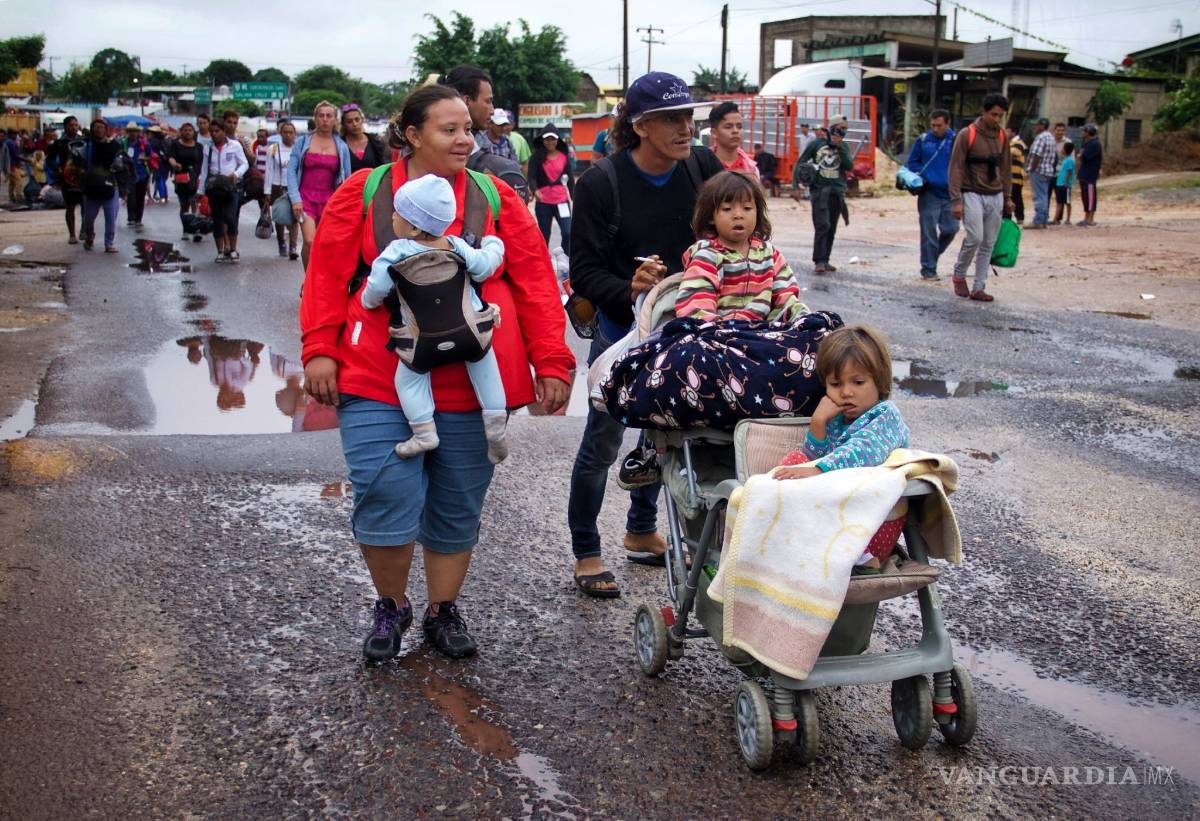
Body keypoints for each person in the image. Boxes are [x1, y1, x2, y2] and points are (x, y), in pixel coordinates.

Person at [299, 83, 573, 660]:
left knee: (457, 500)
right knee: (385, 491)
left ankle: (442, 610)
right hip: (379, 371)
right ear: (412, 134)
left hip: (475, 377)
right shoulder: (365, 191)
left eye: (466, 128)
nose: (464, 139)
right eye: (448, 130)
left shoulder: (495, 197)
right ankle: (391, 606)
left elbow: (535, 281)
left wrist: (552, 359)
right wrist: (319, 348)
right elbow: (325, 274)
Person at [567, 71, 723, 597]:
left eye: (689, 117)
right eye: (673, 119)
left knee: (664, 436)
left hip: (686, 326)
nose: (686, 128)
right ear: (641, 126)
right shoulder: (600, 183)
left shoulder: (702, 167)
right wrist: (627, 286)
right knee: (603, 443)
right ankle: (587, 551)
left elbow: (739, 223)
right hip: (620, 330)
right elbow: (584, 272)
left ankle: (639, 531)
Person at [360, 174, 509, 462]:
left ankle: (424, 432)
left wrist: (368, 301)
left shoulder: (396, 252)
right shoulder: (456, 246)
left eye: (398, 213)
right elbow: (483, 267)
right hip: (471, 332)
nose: (393, 217)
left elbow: (376, 288)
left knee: (408, 381)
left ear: (414, 227)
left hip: (421, 343)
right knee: (487, 372)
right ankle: (495, 428)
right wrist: (494, 246)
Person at [770, 325, 910, 570]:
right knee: (795, 459)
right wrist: (818, 424)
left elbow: (862, 452)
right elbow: (813, 461)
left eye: (858, 382)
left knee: (809, 472)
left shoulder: (885, 415)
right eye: (835, 384)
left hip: (870, 525)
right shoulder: (837, 419)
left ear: (879, 380)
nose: (846, 392)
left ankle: (861, 559)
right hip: (833, 517)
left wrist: (819, 470)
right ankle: (785, 538)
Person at [675, 170, 805, 322]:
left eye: (747, 208)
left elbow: (787, 299)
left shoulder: (770, 255)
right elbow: (696, 308)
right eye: (727, 209)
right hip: (717, 335)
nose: (738, 215)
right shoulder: (707, 256)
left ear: (757, 212)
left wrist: (803, 319)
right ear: (711, 217)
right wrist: (717, 331)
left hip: (763, 334)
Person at [947, 93, 1013, 302]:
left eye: (1000, 115)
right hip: (972, 192)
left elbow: (1006, 168)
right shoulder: (968, 134)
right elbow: (956, 167)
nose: (996, 119)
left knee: (989, 242)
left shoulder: (1002, 136)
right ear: (984, 112)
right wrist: (956, 200)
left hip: (995, 194)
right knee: (975, 237)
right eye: (993, 114)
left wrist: (1008, 197)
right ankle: (959, 274)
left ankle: (979, 286)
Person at [287, 100, 352, 268]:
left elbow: (347, 178)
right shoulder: (303, 142)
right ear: (315, 118)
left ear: (335, 119)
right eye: (321, 115)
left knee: (325, 244)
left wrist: (345, 205)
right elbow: (291, 171)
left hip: (330, 200)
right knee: (310, 240)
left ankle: (317, 281)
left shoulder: (342, 147)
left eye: (329, 116)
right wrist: (295, 199)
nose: (325, 119)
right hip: (305, 198)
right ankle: (308, 281)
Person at [906, 109, 958, 281]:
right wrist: (921, 176)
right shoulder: (923, 141)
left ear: (947, 124)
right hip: (929, 194)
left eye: (939, 125)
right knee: (928, 232)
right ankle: (928, 269)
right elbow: (912, 162)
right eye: (933, 125)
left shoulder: (956, 141)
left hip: (951, 194)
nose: (935, 129)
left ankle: (932, 257)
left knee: (951, 229)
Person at [797, 122, 853, 275]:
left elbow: (849, 165)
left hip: (837, 192)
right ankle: (819, 260)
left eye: (842, 133)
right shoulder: (816, 144)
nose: (838, 135)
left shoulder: (844, 147)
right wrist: (796, 185)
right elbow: (801, 161)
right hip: (820, 191)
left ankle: (826, 259)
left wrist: (840, 147)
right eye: (837, 131)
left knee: (832, 227)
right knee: (823, 225)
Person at [196, 118, 249, 263]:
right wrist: (200, 191)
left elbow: (244, 164)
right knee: (217, 220)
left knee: (231, 219)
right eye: (211, 131)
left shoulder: (235, 145)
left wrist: (236, 174)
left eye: (217, 131)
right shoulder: (208, 148)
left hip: (231, 187)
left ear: (224, 131)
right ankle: (220, 251)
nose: (214, 134)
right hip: (214, 188)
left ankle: (232, 249)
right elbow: (204, 170)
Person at [529, 123, 574, 255]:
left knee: (568, 232)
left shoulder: (564, 157)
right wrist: (535, 189)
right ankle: (544, 262)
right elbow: (531, 177)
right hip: (544, 202)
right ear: (542, 140)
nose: (550, 142)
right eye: (547, 139)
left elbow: (570, 179)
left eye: (553, 139)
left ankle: (565, 257)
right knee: (544, 235)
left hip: (562, 200)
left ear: (557, 140)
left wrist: (574, 196)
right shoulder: (536, 157)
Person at [80, 119, 123, 253]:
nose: (99, 130)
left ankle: (109, 243)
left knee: (110, 216)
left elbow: (122, 164)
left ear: (106, 129)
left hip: (110, 186)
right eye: (96, 127)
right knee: (89, 218)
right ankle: (89, 236)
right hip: (92, 187)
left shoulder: (115, 145)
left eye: (101, 127)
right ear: (92, 129)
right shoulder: (86, 146)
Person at [45, 116, 87, 244]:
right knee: (70, 207)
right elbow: (50, 160)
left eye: (75, 125)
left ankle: (83, 230)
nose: (73, 127)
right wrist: (57, 169)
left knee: (85, 205)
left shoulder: (83, 141)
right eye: (71, 125)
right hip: (67, 178)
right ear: (65, 127)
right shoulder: (59, 143)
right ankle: (72, 234)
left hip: (82, 177)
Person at [263, 119, 299, 259]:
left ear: (295, 134)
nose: (288, 135)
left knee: (295, 217)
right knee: (280, 217)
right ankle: (281, 242)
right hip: (278, 187)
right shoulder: (274, 149)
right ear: (280, 133)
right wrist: (267, 192)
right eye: (285, 132)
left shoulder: (298, 148)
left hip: (294, 187)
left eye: (291, 132)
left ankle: (293, 247)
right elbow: (269, 171)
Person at [166, 121, 204, 242]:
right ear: (181, 132)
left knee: (195, 203)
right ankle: (186, 229)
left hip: (195, 178)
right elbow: (170, 157)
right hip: (181, 179)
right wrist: (174, 164)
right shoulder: (175, 144)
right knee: (184, 205)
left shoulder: (199, 147)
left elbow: (202, 162)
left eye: (190, 130)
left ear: (194, 132)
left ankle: (196, 229)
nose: (187, 132)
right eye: (185, 130)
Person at [440, 65, 495, 144]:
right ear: (467, 101)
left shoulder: (482, 143)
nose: (492, 111)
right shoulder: (440, 143)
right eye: (488, 101)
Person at [707, 101, 759, 179]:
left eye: (739, 127)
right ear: (714, 133)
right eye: (728, 127)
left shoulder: (751, 169)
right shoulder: (705, 165)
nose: (735, 131)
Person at [120, 123, 152, 229]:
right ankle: (131, 218)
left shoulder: (144, 144)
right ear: (128, 132)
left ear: (138, 132)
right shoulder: (124, 143)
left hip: (142, 173)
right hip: (129, 174)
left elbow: (151, 156)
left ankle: (139, 219)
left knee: (140, 197)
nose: (133, 133)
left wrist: (144, 159)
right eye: (131, 131)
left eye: (135, 131)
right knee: (131, 196)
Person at [1026, 118, 1056, 229]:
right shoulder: (1051, 137)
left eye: (1037, 125)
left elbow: (1037, 155)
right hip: (1048, 170)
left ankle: (1038, 220)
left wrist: (1032, 168)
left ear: (1042, 126)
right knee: (1044, 195)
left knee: (1039, 196)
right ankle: (1043, 220)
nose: (1035, 127)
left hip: (1039, 170)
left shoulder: (1041, 137)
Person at [341, 103, 387, 173]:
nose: (354, 124)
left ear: (362, 120)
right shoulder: (340, 144)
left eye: (357, 119)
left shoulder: (375, 142)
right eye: (349, 121)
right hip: (349, 183)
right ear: (344, 124)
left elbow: (382, 168)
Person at [1077, 123, 1103, 227]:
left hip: (1090, 175)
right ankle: (1086, 216)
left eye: (1084, 131)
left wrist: (1081, 154)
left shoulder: (1095, 144)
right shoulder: (1088, 143)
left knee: (1091, 196)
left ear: (1088, 132)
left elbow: (1084, 157)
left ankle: (1091, 218)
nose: (1082, 133)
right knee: (1085, 196)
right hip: (1084, 174)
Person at [1007, 124, 1026, 224]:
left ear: (1013, 132)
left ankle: (1020, 217)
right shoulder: (1010, 143)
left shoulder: (1018, 143)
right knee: (1011, 197)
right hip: (1010, 177)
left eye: (1008, 131)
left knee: (1016, 197)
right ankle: (1010, 217)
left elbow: (1014, 153)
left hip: (1016, 176)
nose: (1006, 133)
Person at [1053, 141, 1075, 225]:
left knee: (1067, 202)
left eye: (1063, 148)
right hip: (1060, 183)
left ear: (1065, 150)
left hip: (1065, 184)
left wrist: (1066, 182)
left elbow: (1069, 172)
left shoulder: (1069, 160)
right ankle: (1055, 219)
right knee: (1059, 201)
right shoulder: (1065, 160)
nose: (1061, 150)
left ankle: (1068, 219)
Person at [148, 125, 169, 203]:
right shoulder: (163, 140)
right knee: (163, 180)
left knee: (159, 179)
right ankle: (165, 196)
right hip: (166, 162)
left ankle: (162, 196)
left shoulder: (153, 141)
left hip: (158, 162)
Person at [5, 129, 25, 203]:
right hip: (12, 165)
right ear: (10, 134)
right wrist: (26, 159)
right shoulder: (11, 143)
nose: (16, 136)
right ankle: (18, 198)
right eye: (15, 134)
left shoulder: (7, 142)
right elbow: (15, 155)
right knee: (18, 182)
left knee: (12, 183)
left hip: (9, 165)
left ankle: (11, 197)